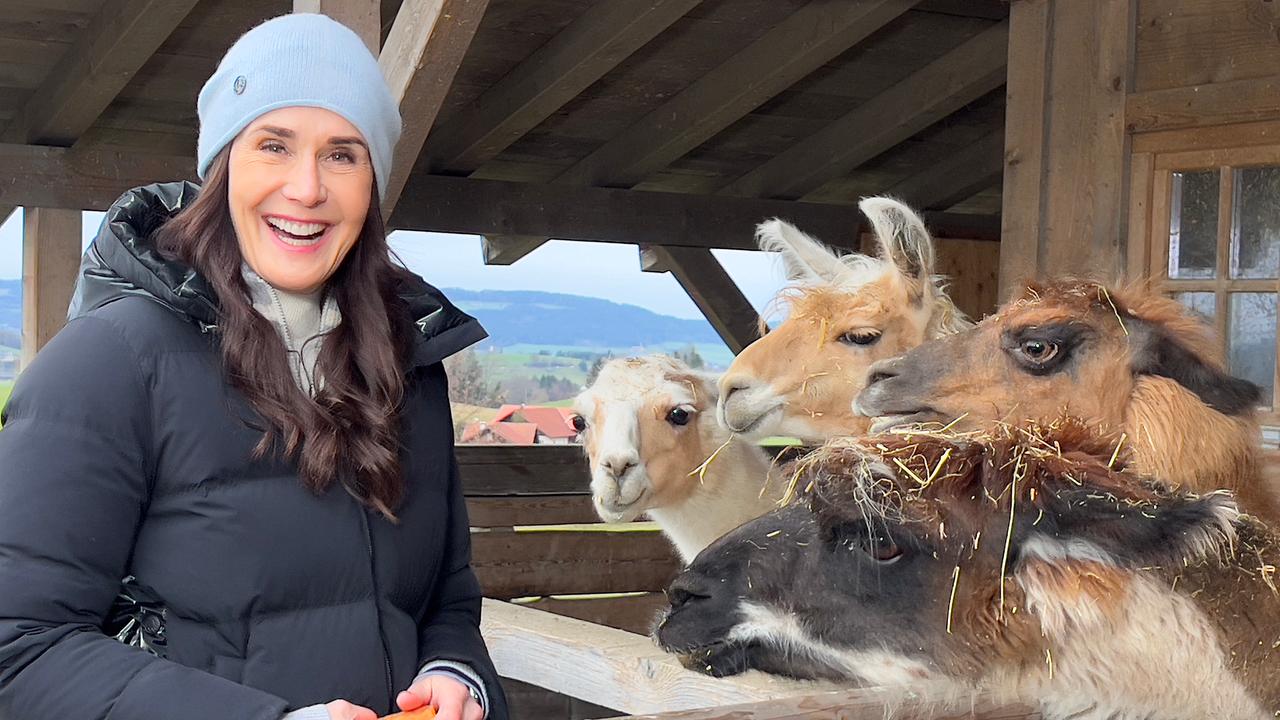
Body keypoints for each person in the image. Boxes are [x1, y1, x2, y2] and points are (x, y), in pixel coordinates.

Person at [0, 13, 507, 720]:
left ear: (373, 183)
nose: (305, 189)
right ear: (223, 166)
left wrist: (458, 676)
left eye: (342, 154)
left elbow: (445, 599)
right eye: (273, 145)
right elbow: (19, 649)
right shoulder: (108, 365)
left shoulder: (409, 367)